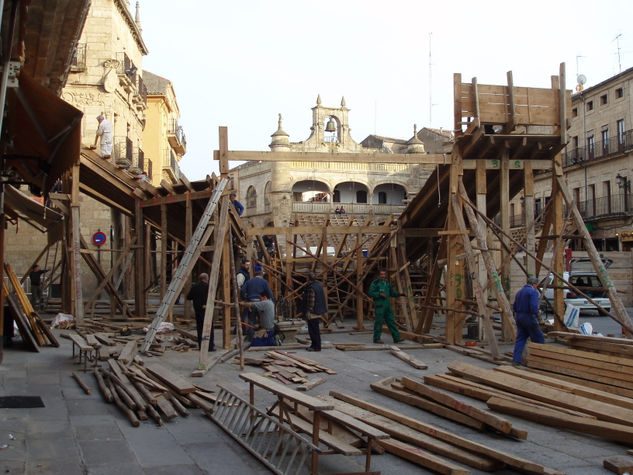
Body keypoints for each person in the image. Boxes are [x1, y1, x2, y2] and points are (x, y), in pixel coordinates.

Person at [512, 276, 545, 366]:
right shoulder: (533, 292)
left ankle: (516, 360)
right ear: (534, 284)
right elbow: (533, 307)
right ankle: (539, 361)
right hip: (528, 317)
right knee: (538, 338)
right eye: (536, 285)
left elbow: (514, 306)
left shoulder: (519, 292)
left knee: (521, 339)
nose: (536, 287)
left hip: (519, 316)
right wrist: (538, 314)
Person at [368, 269, 404, 344]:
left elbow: (392, 293)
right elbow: (371, 292)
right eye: (381, 274)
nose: (383, 276)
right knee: (379, 322)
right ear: (378, 275)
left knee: (391, 321)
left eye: (384, 274)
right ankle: (376, 338)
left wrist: (399, 294)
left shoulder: (387, 283)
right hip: (380, 306)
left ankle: (396, 337)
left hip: (387, 306)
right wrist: (379, 294)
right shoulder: (375, 283)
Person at [240, 269, 273, 339]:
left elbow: (242, 290)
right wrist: (271, 301)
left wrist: (244, 299)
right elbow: (269, 293)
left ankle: (252, 337)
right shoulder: (264, 282)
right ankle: (262, 336)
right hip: (261, 303)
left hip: (251, 302)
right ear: (262, 275)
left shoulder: (249, 281)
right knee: (262, 319)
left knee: (251, 320)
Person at [186, 273, 215, 351]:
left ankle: (201, 346)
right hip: (207, 309)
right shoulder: (208, 287)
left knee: (200, 328)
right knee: (209, 328)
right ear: (206, 279)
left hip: (198, 309)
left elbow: (188, 297)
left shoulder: (195, 287)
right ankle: (210, 346)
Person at [302, 272, 326, 351]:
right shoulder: (318, 286)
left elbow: (311, 301)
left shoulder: (311, 288)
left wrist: (308, 311)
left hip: (313, 312)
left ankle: (316, 346)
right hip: (318, 310)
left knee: (313, 330)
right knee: (315, 329)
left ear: (308, 279)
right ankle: (315, 345)